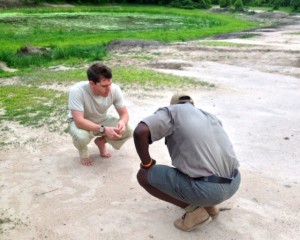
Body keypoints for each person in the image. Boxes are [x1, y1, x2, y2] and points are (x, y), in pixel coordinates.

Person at [133, 93, 240, 232]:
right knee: (198, 167)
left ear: (174, 105)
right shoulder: (209, 116)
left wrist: (146, 163)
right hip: (234, 182)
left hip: (210, 190)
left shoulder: (173, 111)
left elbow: (140, 131)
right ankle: (211, 207)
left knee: (143, 175)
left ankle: (196, 210)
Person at [67, 62, 132, 166]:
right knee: (81, 137)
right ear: (92, 83)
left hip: (100, 119)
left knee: (128, 130)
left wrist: (122, 123)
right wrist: (105, 129)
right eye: (104, 86)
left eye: (110, 84)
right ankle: (83, 151)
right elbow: (79, 122)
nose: (109, 89)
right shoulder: (77, 91)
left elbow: (124, 114)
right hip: (80, 122)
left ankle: (101, 141)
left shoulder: (114, 89)